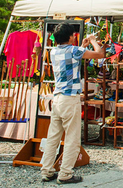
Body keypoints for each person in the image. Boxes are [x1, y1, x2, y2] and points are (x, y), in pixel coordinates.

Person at [40, 24, 105, 184]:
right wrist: (93, 40)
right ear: (70, 37)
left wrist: (83, 46)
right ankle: (65, 174)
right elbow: (100, 54)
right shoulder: (74, 51)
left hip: (58, 99)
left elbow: (72, 59)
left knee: (53, 136)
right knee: (72, 138)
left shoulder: (54, 51)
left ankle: (47, 170)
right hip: (70, 99)